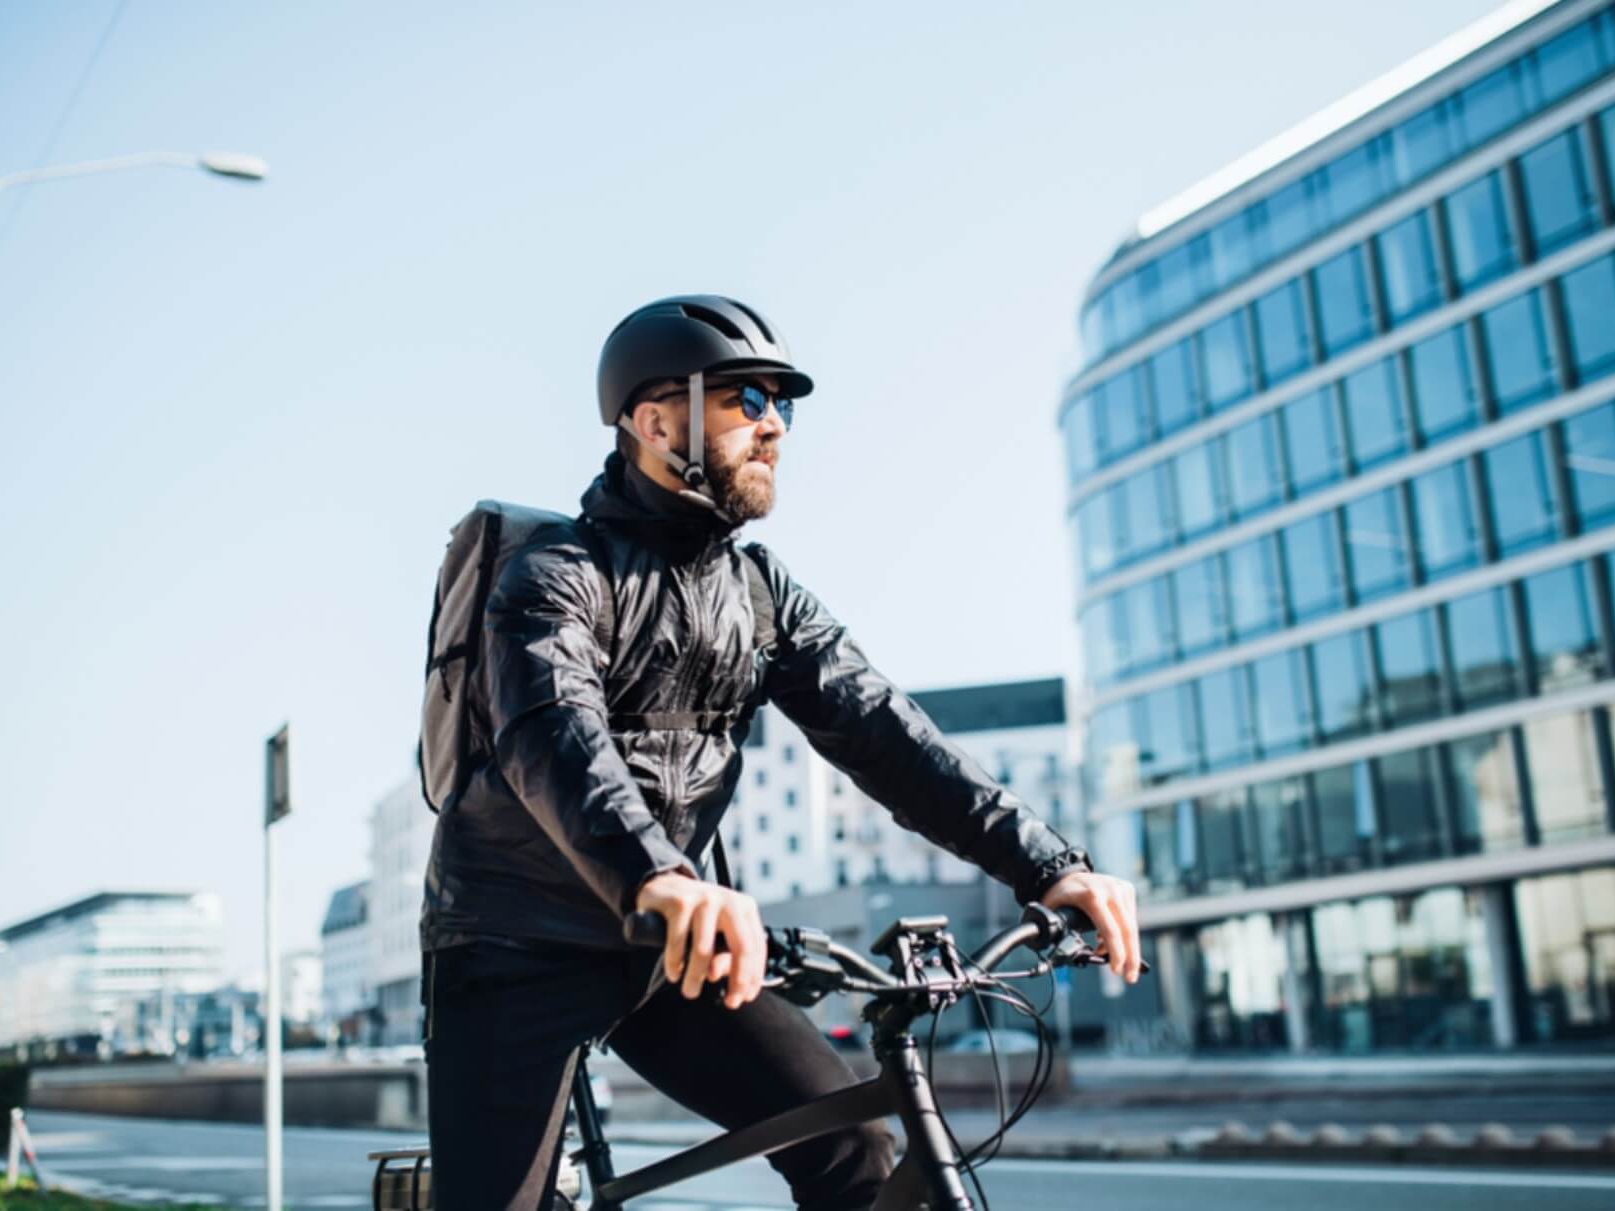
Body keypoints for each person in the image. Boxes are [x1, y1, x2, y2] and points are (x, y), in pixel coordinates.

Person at [419, 294, 1140, 1210]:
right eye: (745, 400)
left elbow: (887, 735)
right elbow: (552, 732)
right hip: (515, 941)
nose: (774, 427)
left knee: (856, 1148)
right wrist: (660, 876)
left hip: (668, 953)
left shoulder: (761, 596)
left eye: (783, 406)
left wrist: (1049, 867)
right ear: (653, 420)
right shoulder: (556, 575)